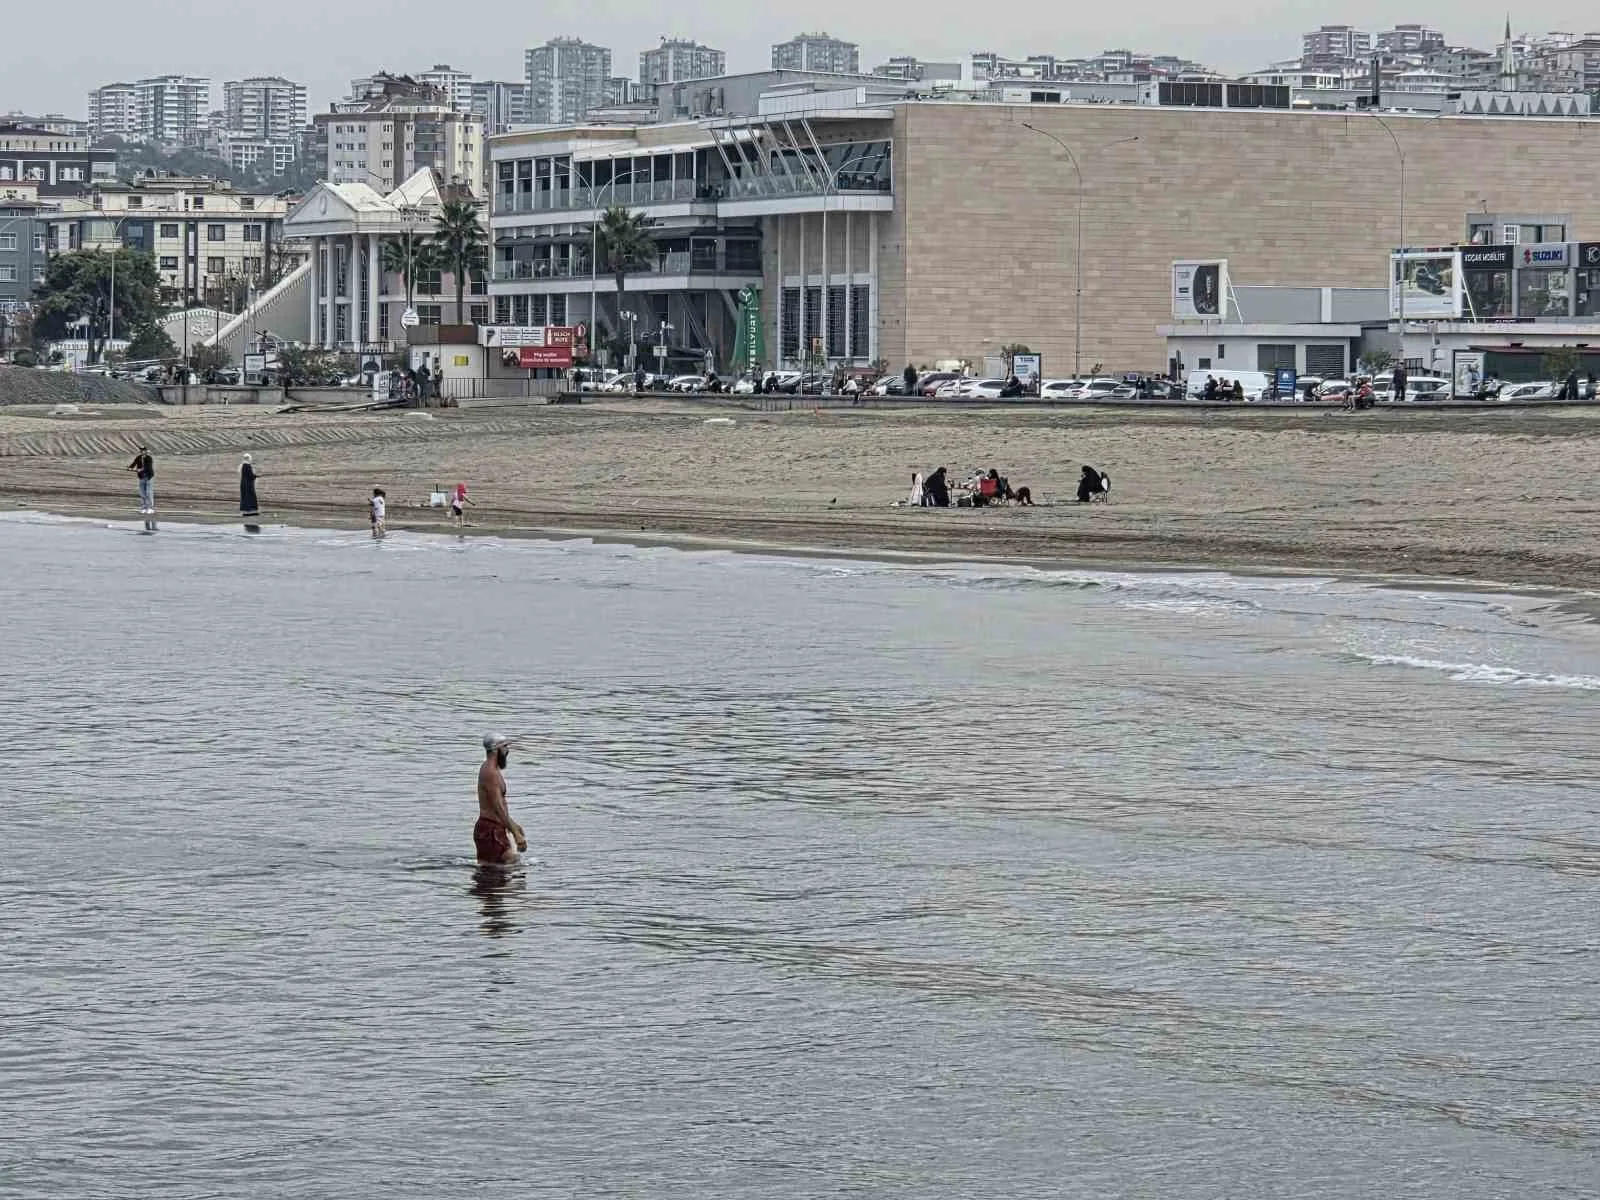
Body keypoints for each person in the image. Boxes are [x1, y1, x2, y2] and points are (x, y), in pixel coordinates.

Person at [475, 735, 527, 866]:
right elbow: (498, 807)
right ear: (496, 749)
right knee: (513, 863)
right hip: (490, 831)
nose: (507, 750)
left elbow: (498, 807)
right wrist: (516, 834)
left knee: (492, 872)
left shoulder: (493, 770)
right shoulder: (490, 772)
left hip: (493, 829)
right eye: (505, 747)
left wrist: (513, 825)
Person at [127, 445, 155, 514]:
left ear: (146, 451)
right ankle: (144, 507)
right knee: (142, 493)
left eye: (143, 450)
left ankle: (150, 508)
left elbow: (147, 467)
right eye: (141, 450)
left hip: (149, 477)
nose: (142, 451)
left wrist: (140, 470)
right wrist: (130, 467)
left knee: (149, 493)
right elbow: (134, 463)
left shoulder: (149, 458)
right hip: (141, 477)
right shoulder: (138, 457)